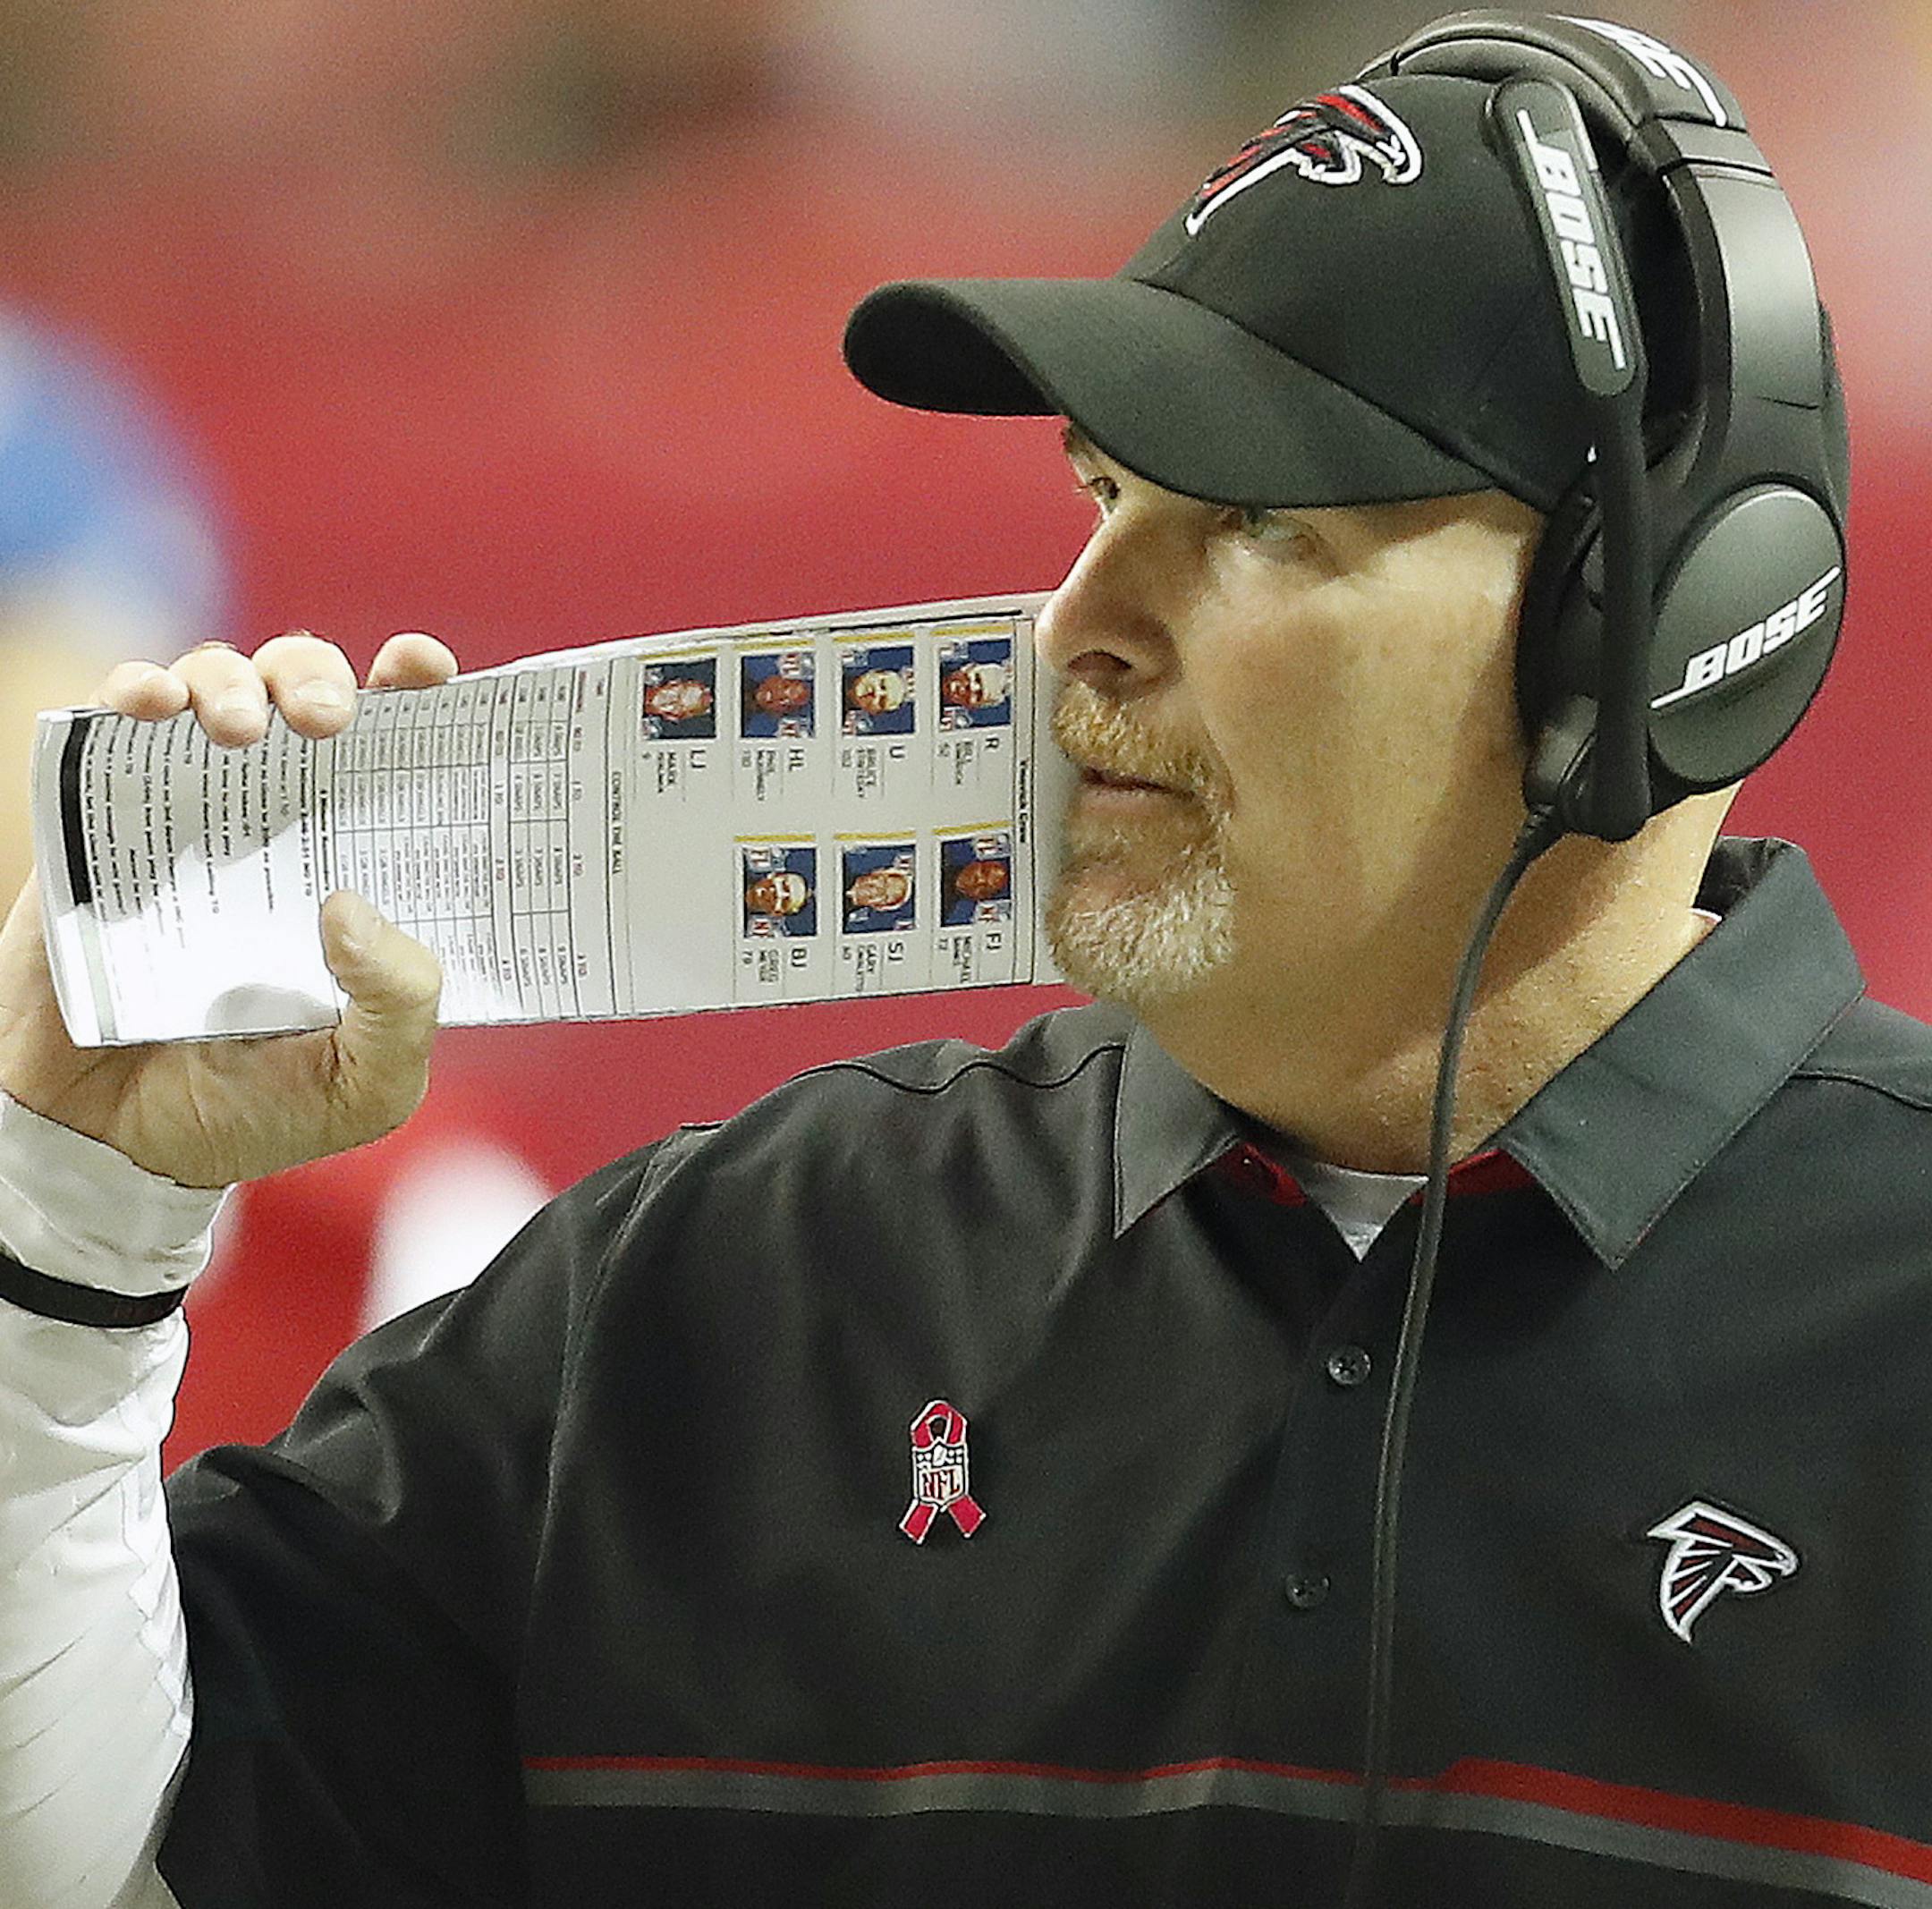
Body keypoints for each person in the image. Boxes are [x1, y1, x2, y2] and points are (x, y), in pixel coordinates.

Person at [0, 16, 1923, 1909]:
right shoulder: (713, 1289)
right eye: (1103, 496)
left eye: (1256, 521)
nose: (1081, 621)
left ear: (1659, 629)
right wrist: (75, 1214)